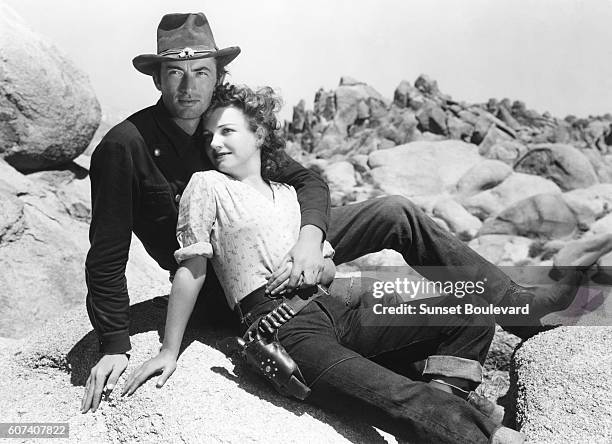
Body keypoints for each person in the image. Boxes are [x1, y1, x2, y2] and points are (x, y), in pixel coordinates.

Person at [81, 11, 612, 415]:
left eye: (202, 70)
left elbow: (307, 179)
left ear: (217, 71)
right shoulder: (124, 147)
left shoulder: (225, 125)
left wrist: (311, 237)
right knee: (370, 323)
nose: (189, 85)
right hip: (236, 289)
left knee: (396, 211)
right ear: (157, 78)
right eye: (176, 72)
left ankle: (519, 303)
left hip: (287, 244)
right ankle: (445, 398)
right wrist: (113, 344)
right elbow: (106, 256)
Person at [122, 84, 525, 443]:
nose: (215, 143)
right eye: (209, 136)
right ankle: (479, 431)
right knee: (400, 400)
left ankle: (448, 406)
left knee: (470, 309)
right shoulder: (207, 184)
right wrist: (169, 349)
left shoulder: (287, 193)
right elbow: (192, 267)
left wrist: (314, 263)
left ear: (259, 134)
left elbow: (328, 267)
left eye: (227, 131)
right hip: (285, 330)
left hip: (335, 308)